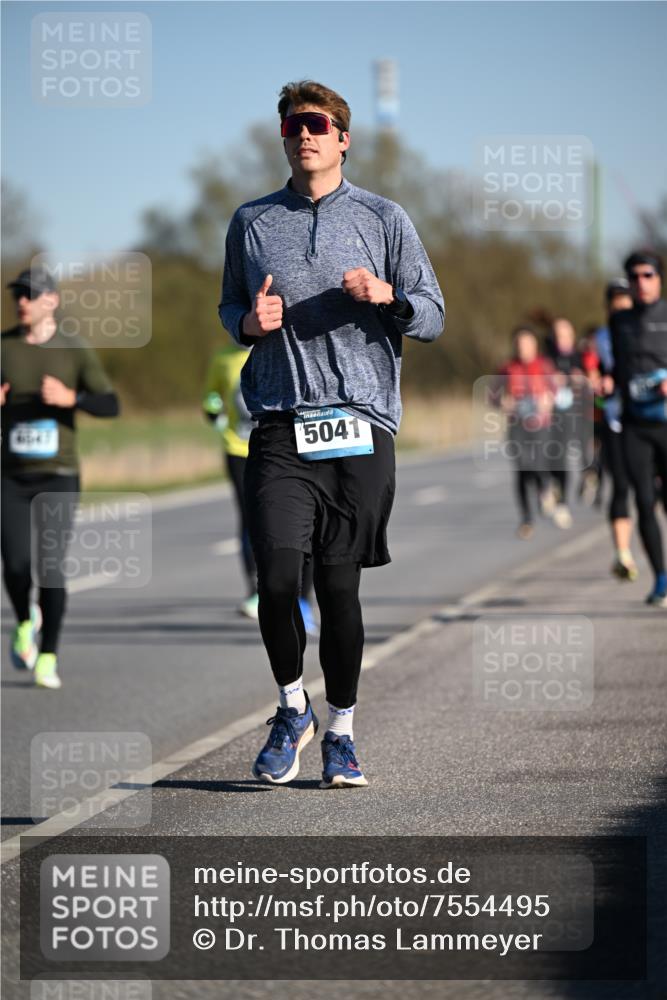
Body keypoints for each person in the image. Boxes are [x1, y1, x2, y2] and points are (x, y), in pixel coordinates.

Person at [218, 80, 444, 787]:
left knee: (340, 589)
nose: (304, 135)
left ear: (343, 138)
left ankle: (341, 731)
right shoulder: (251, 221)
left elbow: (433, 314)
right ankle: (293, 708)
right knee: (279, 577)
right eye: (292, 126)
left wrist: (388, 296)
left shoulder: (383, 217)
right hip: (281, 422)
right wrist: (246, 324)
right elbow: (229, 306)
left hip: (359, 424)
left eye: (316, 124)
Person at [1, 267, 120, 688]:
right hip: (11, 476)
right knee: (16, 564)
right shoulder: (4, 347)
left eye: (30, 295)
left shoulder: (73, 348)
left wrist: (73, 398)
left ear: (51, 300)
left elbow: (111, 404)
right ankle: (23, 620)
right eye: (18, 295)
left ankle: (48, 654)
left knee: (51, 567)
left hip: (59, 475)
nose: (22, 302)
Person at [202, 340, 317, 631]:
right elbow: (211, 396)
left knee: (304, 520)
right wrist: (213, 410)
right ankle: (256, 590)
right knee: (251, 519)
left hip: (283, 446)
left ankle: (303, 598)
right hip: (239, 448)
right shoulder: (223, 358)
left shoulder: (282, 346)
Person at [609, 250, 667, 606]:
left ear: (659, 278)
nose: (641, 282)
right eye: (634, 276)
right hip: (635, 424)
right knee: (644, 502)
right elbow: (617, 370)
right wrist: (606, 382)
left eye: (648, 275)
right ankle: (661, 578)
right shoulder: (619, 321)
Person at [592, 278, 638, 580]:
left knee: (650, 492)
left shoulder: (650, 331)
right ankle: (623, 554)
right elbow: (590, 370)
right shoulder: (601, 338)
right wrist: (596, 383)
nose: (620, 306)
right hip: (615, 419)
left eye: (625, 301)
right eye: (615, 302)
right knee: (620, 486)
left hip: (649, 420)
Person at [493, 327, 555, 539]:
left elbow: (557, 392)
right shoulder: (507, 368)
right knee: (521, 469)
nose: (523, 348)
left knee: (538, 464)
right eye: (519, 344)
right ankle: (527, 519)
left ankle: (545, 490)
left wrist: (548, 400)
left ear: (535, 345)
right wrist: (503, 402)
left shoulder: (544, 366)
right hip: (517, 425)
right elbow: (493, 395)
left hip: (540, 424)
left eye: (527, 343)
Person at [544, 317, 590, 530]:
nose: (562, 339)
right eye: (558, 335)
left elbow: (592, 381)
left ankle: (584, 483)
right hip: (552, 416)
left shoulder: (580, 357)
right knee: (553, 458)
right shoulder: (547, 358)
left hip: (576, 414)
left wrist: (578, 379)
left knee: (577, 456)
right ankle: (555, 495)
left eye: (565, 334)